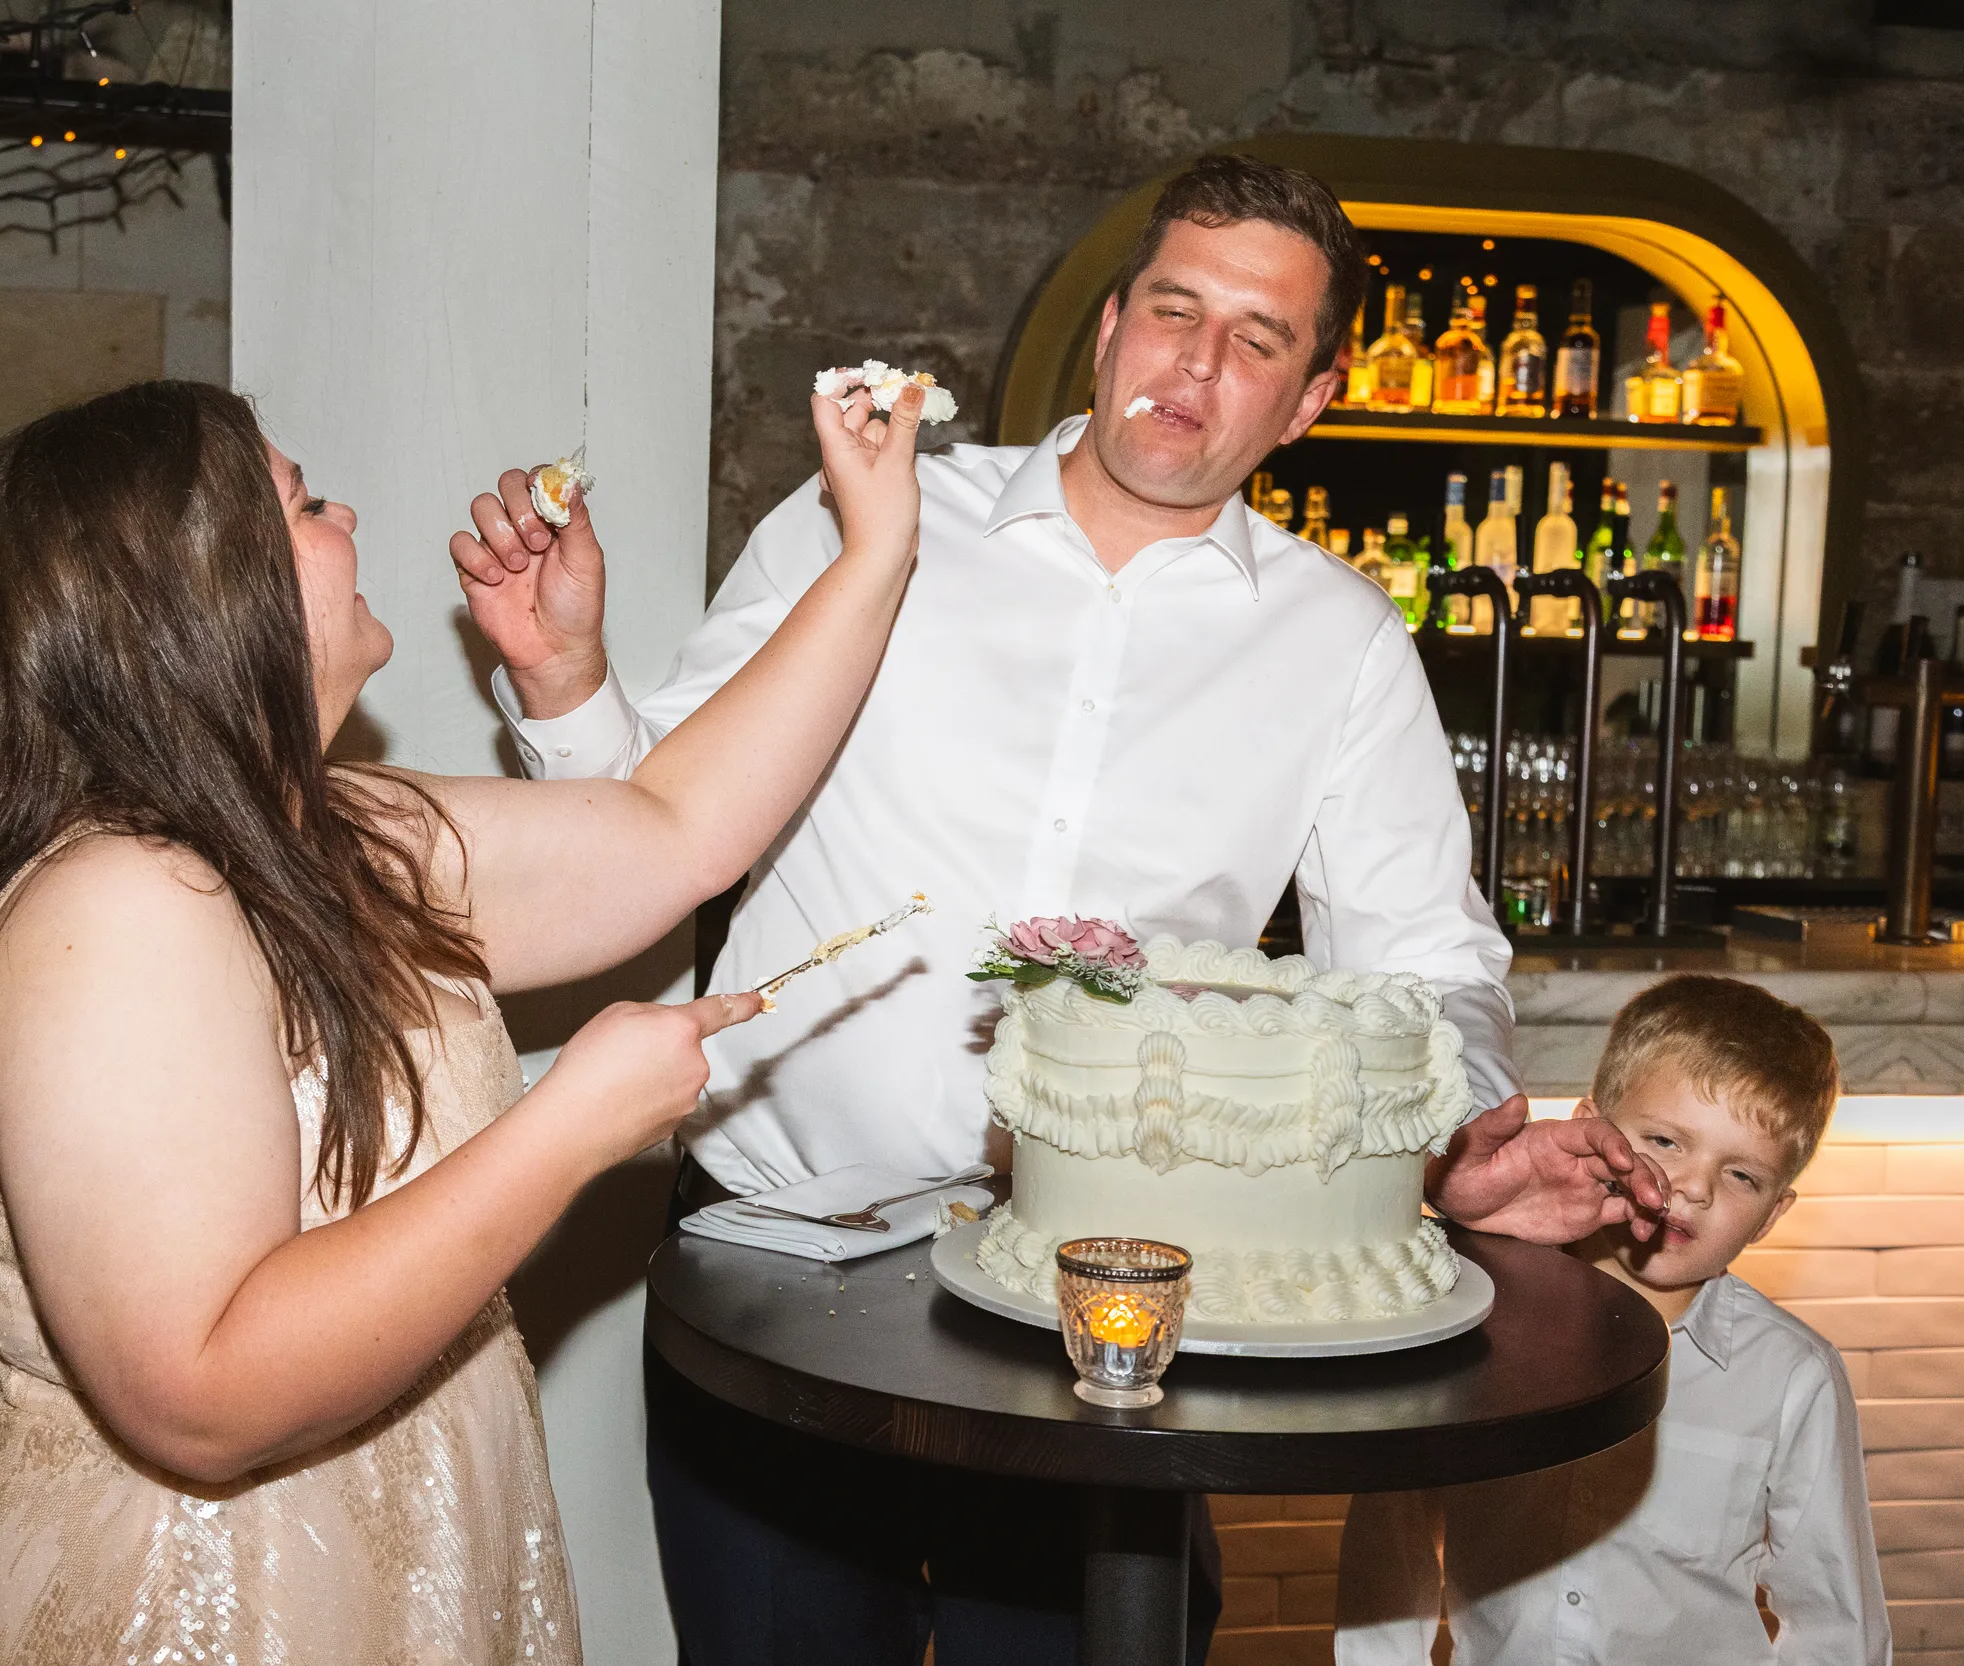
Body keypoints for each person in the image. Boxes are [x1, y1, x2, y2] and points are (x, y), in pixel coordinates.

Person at [449, 153, 1669, 1665]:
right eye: (1174, 309)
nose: (1196, 364)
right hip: (775, 1254)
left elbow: (1424, 961)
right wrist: (565, 679)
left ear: (1309, 401)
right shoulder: (864, 521)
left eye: (1256, 339)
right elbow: (655, 827)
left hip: (1105, 1313)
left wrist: (1462, 1127)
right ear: (1109, 325)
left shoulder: (1341, 642)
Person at [0, 374, 929, 1663]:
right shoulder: (116, 910)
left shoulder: (333, 830)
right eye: (306, 505)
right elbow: (201, 1395)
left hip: (416, 1548)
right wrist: (567, 1129)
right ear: (209, 591)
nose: (345, 516)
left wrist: (874, 552)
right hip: (200, 1603)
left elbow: (678, 829)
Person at [1335, 974, 1892, 1665]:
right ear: (1590, 1130)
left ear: (1772, 1215)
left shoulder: (1793, 1376)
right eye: (1665, 1141)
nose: (1693, 1187)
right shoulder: (1469, 1323)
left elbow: (1839, 1625)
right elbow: (1391, 1544)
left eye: (1742, 1175)